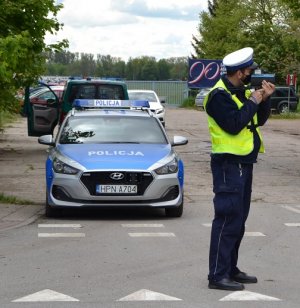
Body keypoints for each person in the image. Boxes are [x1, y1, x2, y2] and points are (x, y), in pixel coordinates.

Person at [203, 47, 275, 291]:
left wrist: (264, 100)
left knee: (239, 220)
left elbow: (257, 120)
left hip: (244, 162)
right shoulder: (218, 96)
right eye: (249, 71)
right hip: (227, 164)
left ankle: (230, 269)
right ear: (240, 72)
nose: (251, 75)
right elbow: (234, 125)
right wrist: (254, 99)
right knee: (227, 219)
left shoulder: (240, 91)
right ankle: (217, 275)